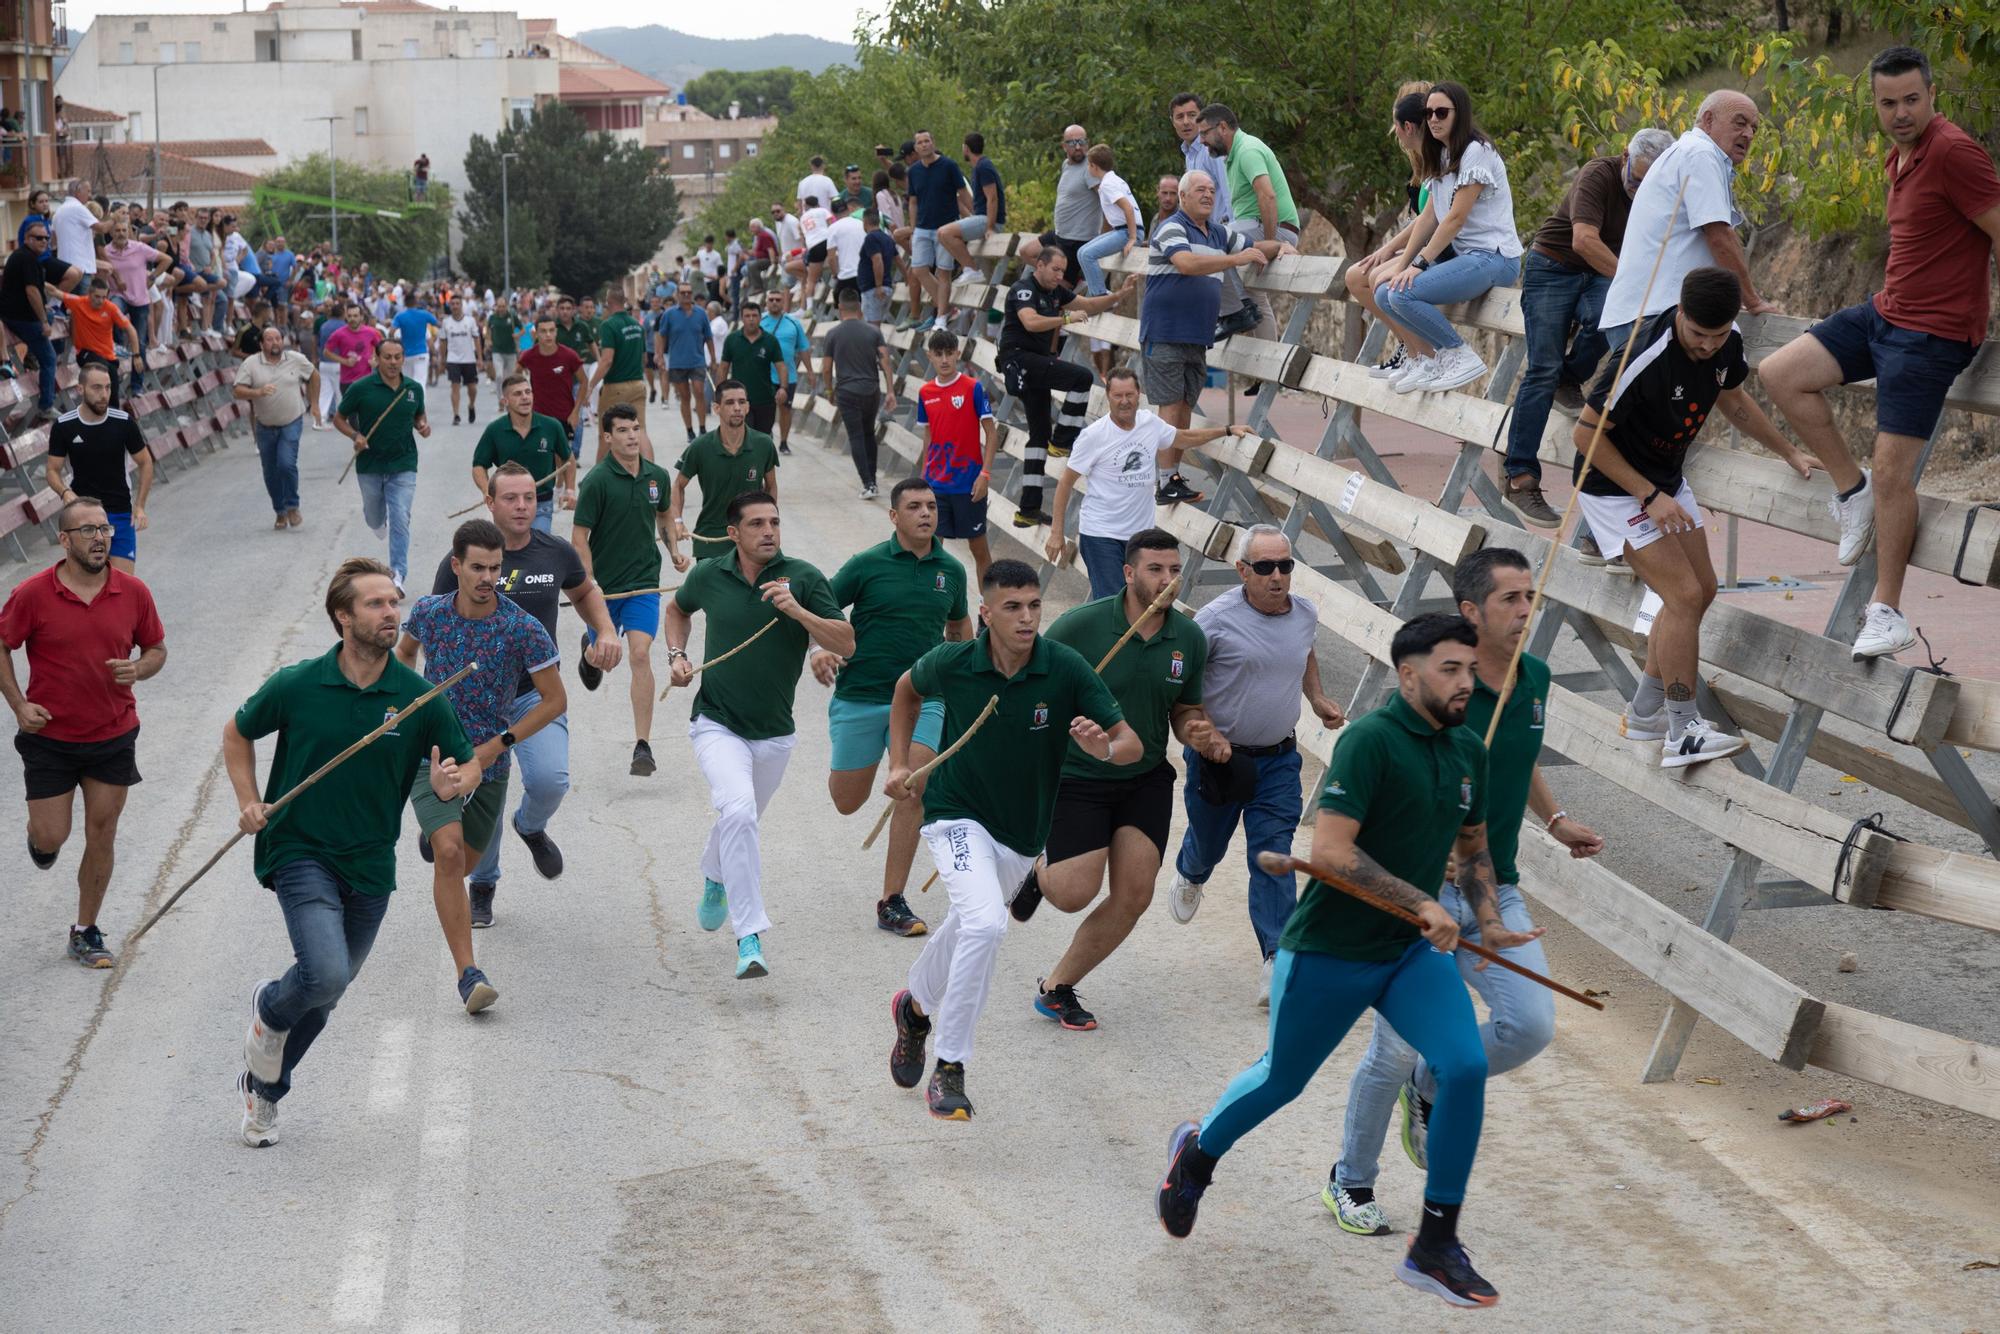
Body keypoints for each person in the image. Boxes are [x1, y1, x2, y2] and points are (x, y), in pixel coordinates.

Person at [1157, 611, 1532, 1310]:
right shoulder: (1370, 742)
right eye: (1450, 670)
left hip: (1406, 956)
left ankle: (1435, 1245)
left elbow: (1473, 842)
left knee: (1465, 1065)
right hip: (1330, 950)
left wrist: (1484, 916)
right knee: (1282, 1081)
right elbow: (1328, 853)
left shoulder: (1465, 752)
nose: (1465, 683)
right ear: (1409, 673)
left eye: (1471, 670)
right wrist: (1420, 902)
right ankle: (1197, 1158)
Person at [1326, 549, 1604, 1237]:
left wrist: (1556, 818)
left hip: (1494, 890)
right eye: (1511, 599)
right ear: (1472, 612)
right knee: (1388, 1049)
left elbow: (1517, 756)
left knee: (1531, 1026)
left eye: (1530, 597)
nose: (1525, 611)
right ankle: (1349, 1182)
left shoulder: (1533, 677)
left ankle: (1433, 1082)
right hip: (1417, 897)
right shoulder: (1437, 688)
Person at [1760, 44, 2000, 661]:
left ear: (1932, 95)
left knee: (1894, 471)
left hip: (1933, 336)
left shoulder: (1953, 153)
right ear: (1874, 103)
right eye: (1888, 102)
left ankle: (1887, 611)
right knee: (1779, 372)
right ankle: (1849, 490)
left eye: (1911, 100)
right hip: (1884, 314)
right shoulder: (1901, 156)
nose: (1900, 112)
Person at [228, 558, 476, 1149]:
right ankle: (270, 1007)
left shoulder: (418, 697)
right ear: (343, 617)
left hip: (370, 862)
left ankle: (263, 1089)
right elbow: (238, 733)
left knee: (327, 992)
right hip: (299, 847)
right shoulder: (299, 684)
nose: (392, 613)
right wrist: (249, 800)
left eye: (394, 602)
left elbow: (463, 761)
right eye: (376, 604)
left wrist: (452, 784)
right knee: (326, 971)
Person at [881, 559, 1138, 1119]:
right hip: (954, 816)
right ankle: (950, 1066)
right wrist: (900, 763)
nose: (1027, 619)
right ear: (986, 612)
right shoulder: (952, 662)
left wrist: (1105, 750)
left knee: (966, 925)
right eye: (1013, 607)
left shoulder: (1064, 669)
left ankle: (915, 1010)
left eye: (1035, 606)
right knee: (987, 922)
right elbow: (906, 692)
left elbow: (1130, 743)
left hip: (1022, 837)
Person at [1577, 267, 1814, 766]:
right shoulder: (1641, 356)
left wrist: (1788, 452)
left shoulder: (1727, 346)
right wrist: (1647, 496)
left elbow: (1735, 402)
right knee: (1682, 595)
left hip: (1665, 479)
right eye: (1698, 334)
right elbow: (1585, 436)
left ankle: (1644, 711)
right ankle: (1682, 729)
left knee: (1702, 591)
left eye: (1718, 335)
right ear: (1680, 313)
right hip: (1615, 487)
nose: (1708, 346)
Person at [1025, 529, 1225, 1031]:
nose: (1167, 580)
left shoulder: (1189, 638)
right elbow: (1032, 687)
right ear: (1129, 573)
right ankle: (1037, 867)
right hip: (1077, 775)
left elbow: (1185, 709)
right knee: (1072, 892)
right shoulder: (1081, 626)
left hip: (1144, 777)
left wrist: (1196, 731)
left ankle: (1058, 988)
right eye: (1156, 569)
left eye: (1175, 570)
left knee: (1134, 895)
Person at [662, 490, 853, 978]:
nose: (768, 531)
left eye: (774, 522)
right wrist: (677, 657)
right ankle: (749, 937)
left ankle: (714, 873)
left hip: (775, 734)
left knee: (737, 818)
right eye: (756, 524)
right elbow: (678, 611)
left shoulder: (805, 578)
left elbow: (846, 641)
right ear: (733, 533)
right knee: (740, 810)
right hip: (716, 722)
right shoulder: (710, 573)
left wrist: (799, 613)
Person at [1166, 525, 1345, 1003]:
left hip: (1279, 761)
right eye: (1264, 567)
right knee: (1208, 846)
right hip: (1220, 761)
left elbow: (1303, 654)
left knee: (1272, 856)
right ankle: (1190, 871)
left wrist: (1318, 697)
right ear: (1242, 570)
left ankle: (1276, 959)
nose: (1277, 576)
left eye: (1285, 566)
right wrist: (1206, 731)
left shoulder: (1305, 612)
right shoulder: (1213, 619)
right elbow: (1184, 689)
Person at [437, 463, 622, 921]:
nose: (523, 507)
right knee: (486, 795)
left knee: (549, 780)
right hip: (478, 699)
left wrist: (604, 631)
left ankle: (532, 826)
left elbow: (584, 592)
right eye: (511, 498)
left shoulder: (555, 552)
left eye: (530, 498)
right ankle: (483, 884)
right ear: (490, 502)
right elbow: (436, 623)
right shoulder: (462, 561)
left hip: (534, 694)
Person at [397, 519, 567, 1012]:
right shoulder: (428, 613)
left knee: (464, 863)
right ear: (457, 566)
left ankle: (438, 834)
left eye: (495, 567)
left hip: (488, 765)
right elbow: (404, 657)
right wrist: (403, 714)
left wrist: (497, 746)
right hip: (433, 755)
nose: (487, 576)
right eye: (477, 567)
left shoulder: (521, 628)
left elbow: (554, 701)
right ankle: (469, 975)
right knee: (449, 858)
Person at [1, 496, 167, 971]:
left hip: (113, 734)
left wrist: (139, 668)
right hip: (49, 737)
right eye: (88, 530)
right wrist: (18, 704)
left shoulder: (133, 592)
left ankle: (85, 930)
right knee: (53, 835)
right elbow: (2, 643)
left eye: (104, 530)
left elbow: (156, 648)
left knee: (102, 833)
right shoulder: (33, 594)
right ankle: (41, 843)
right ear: (65, 540)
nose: (100, 537)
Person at [814, 478, 972, 938]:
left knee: (913, 786)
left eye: (932, 506)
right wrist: (819, 648)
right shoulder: (867, 565)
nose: (926, 514)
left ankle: (892, 900)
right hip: (861, 695)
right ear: (894, 516)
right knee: (847, 801)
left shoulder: (952, 570)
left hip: (924, 697)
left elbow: (959, 625)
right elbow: (822, 606)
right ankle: (860, 771)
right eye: (915, 507)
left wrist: (964, 674)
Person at [1501, 127, 1674, 527]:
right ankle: (1519, 476)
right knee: (1541, 369)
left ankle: (1572, 375)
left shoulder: (1662, 188)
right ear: (1624, 155)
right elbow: (1583, 240)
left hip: (1598, 274)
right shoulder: (1598, 174)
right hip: (1554, 266)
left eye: (1649, 182)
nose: (1638, 189)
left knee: (1606, 321)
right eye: (1635, 178)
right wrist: (1631, 280)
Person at [1141, 170, 1290, 504]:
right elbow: (1186, 263)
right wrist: (1236, 259)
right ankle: (1164, 481)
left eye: (1211, 190)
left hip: (1197, 335)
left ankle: (1172, 478)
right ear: (1183, 196)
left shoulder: (1218, 232)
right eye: (1199, 190)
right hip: (1166, 332)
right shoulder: (1172, 228)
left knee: (1183, 408)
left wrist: (1281, 246)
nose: (1208, 195)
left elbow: (1253, 246)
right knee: (1169, 410)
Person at [1369, 83, 1522, 395]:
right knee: (1386, 292)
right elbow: (1429, 216)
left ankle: (1457, 353)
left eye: (1442, 112)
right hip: (1470, 260)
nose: (1434, 119)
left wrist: (1421, 264)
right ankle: (1432, 358)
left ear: (1459, 113)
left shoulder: (1476, 152)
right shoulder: (1440, 155)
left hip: (1495, 258)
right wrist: (1403, 264)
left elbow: (1455, 218)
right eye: (1429, 113)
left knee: (1402, 295)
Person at [1046, 368, 1252, 597]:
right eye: (1117, 396)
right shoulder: (1093, 436)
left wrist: (1227, 430)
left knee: (1140, 601)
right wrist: (1057, 533)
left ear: (1139, 394)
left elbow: (1183, 438)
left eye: (1129, 395)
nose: (1124, 401)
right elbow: (1065, 483)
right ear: (1108, 397)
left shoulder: (1149, 423)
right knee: (1112, 601)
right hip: (1101, 534)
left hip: (1140, 537)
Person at [1599, 90, 1777, 351]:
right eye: (1740, 123)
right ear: (1708, 120)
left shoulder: (1686, 152)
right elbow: (1719, 236)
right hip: (1655, 316)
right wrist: (1752, 301)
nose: (1749, 134)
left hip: (1641, 314)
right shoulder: (1700, 153)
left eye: (1754, 128)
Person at [997, 237, 1138, 528]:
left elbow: (1088, 304)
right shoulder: (1023, 290)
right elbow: (1031, 322)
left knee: (1037, 437)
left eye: (1063, 272)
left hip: (1036, 364)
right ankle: (1063, 442)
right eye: (1056, 270)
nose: (1061, 276)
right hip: (1020, 360)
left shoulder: (1056, 291)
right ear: (1039, 265)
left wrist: (1119, 296)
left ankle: (1028, 510)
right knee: (1082, 378)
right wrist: (1065, 318)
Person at [572, 403, 673, 776]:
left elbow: (664, 514)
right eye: (624, 430)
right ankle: (589, 652)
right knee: (603, 657)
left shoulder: (656, 476)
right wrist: (590, 583)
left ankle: (642, 746)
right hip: (604, 591)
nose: (632, 436)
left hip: (644, 582)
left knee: (640, 655)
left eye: (636, 428)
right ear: (608, 437)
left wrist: (674, 549)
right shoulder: (597, 481)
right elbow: (579, 537)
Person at [334, 337, 430, 590]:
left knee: (400, 517)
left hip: (404, 463)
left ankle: (397, 575)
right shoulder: (361, 388)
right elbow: (339, 418)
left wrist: (422, 425)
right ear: (376, 359)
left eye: (397, 357)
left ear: (403, 358)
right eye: (387, 357)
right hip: (370, 465)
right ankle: (377, 522)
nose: (393, 362)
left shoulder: (413, 389)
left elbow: (419, 414)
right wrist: (355, 436)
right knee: (374, 516)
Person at [44, 364, 152, 573]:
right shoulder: (64, 425)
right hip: (82, 516)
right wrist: (65, 493)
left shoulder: (123, 423)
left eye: (108, 388)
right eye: (96, 388)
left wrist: (139, 506)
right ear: (80, 389)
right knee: (88, 584)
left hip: (120, 512)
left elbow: (145, 462)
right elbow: (52, 470)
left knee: (122, 586)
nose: (104, 395)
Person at [670, 380, 782, 569]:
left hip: (753, 541)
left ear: (747, 406)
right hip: (711, 541)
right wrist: (678, 521)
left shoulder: (763, 444)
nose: (737, 408)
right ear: (716, 408)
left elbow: (771, 485)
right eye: (730, 403)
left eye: (742, 402)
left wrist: (767, 522)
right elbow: (678, 485)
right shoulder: (700, 447)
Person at [916, 329, 998, 583]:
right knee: (932, 549)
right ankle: (933, 607)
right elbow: (928, 437)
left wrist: (985, 474)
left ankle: (987, 613)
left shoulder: (973, 388)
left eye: (949, 354)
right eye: (938, 354)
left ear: (958, 355)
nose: (944, 360)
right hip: (937, 486)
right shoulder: (925, 392)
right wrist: (923, 479)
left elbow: (991, 434)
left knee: (979, 549)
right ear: (930, 356)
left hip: (968, 484)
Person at [233, 324, 321, 531]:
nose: (275, 343)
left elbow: (314, 375)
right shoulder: (251, 363)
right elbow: (238, 391)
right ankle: (279, 511)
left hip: (292, 420)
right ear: (262, 344)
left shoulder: (295, 359)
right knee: (270, 471)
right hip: (265, 425)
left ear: (283, 341)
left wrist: (314, 403)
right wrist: (258, 392)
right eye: (269, 339)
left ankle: (292, 506)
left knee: (286, 464)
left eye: (278, 339)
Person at [820, 289, 898, 497]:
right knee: (868, 434)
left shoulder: (833, 334)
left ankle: (868, 483)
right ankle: (872, 480)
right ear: (860, 307)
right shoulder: (873, 332)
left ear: (840, 308)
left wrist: (829, 390)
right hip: (871, 390)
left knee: (855, 436)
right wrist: (890, 391)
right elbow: (885, 362)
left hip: (847, 391)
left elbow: (827, 368)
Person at [472, 372, 573, 532]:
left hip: (540, 505)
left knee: (537, 552)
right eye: (517, 394)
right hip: (506, 505)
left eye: (528, 392)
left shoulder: (551, 426)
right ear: (505, 401)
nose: (525, 397)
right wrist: (486, 491)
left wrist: (570, 490)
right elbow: (478, 465)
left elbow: (568, 459)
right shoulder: (495, 430)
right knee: (508, 554)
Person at [1077, 144, 1145, 375]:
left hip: (1127, 231)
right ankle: (1100, 295)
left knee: (1085, 254)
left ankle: (1100, 297)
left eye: (1088, 164)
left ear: (1094, 166)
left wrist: (1133, 237)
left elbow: (1126, 208)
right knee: (1085, 251)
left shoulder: (1107, 185)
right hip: (1121, 229)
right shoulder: (1114, 180)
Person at [933, 131, 1005, 322]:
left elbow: (993, 198)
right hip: (981, 217)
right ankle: (966, 269)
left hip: (989, 220)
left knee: (944, 232)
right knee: (945, 234)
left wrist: (989, 227)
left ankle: (972, 269)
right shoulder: (979, 167)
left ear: (966, 148)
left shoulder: (984, 167)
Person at [903, 130, 971, 332]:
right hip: (922, 228)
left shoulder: (949, 165)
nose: (924, 145)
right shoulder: (913, 171)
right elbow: (913, 202)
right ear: (915, 148)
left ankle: (941, 317)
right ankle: (947, 307)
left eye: (927, 141)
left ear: (933, 142)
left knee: (943, 273)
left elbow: (962, 194)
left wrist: (978, 216)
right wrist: (913, 228)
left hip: (945, 227)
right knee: (919, 269)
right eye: (920, 142)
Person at [521, 314, 590, 479]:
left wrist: (576, 412)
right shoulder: (529, 356)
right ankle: (552, 486)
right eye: (543, 331)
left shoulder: (568, 355)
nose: (548, 335)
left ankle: (563, 488)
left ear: (556, 332)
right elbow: (514, 379)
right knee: (544, 453)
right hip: (538, 415)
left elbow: (584, 382)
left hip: (564, 414)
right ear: (536, 333)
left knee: (564, 456)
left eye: (552, 330)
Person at [589, 290, 649, 460]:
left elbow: (606, 360)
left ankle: (597, 480)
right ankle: (652, 476)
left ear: (608, 301)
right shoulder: (637, 325)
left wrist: (591, 385)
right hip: (638, 384)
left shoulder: (608, 325)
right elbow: (644, 358)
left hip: (616, 386)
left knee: (606, 434)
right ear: (624, 301)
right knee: (640, 431)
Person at [658, 283, 717, 444]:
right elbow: (662, 336)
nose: (686, 295)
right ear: (677, 294)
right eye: (682, 292)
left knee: (699, 391)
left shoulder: (701, 314)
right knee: (685, 396)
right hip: (677, 361)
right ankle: (690, 431)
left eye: (689, 292)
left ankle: (703, 428)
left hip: (697, 360)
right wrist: (660, 356)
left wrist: (713, 358)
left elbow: (709, 337)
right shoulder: (669, 314)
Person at [721, 305, 788, 437]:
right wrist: (720, 393)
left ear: (760, 318)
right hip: (739, 402)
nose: (751, 319)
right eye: (747, 316)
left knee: (763, 439)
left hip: (765, 400)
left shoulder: (770, 341)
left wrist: (783, 388)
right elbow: (723, 367)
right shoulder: (732, 339)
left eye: (754, 316)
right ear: (742, 318)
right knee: (744, 438)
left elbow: (781, 366)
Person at [760, 287, 810, 454]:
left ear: (783, 302)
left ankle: (784, 442)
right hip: (763, 376)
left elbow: (803, 348)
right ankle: (766, 438)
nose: (774, 302)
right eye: (771, 299)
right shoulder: (760, 322)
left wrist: (810, 371)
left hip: (787, 377)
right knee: (765, 409)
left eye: (778, 300)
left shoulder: (793, 323)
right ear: (766, 303)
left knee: (785, 410)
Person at [1050, 125, 1100, 294]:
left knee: (1057, 287)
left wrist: (1108, 234)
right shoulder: (1066, 164)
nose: (1078, 147)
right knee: (1028, 252)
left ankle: (1077, 287)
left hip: (1078, 239)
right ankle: (1078, 284)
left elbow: (1108, 200)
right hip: (1061, 234)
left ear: (1088, 143)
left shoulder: (1091, 168)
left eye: (1081, 141)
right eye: (1072, 143)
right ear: (1064, 146)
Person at [440, 295, 485, 426]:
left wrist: (480, 358)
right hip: (453, 359)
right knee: (455, 386)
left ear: (461, 305)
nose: (455, 306)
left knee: (472, 388)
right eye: (452, 304)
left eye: (457, 303)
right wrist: (442, 360)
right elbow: (443, 342)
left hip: (469, 359)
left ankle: (471, 405)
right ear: (450, 306)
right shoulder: (446, 322)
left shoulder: (470, 321)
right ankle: (456, 414)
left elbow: (477, 340)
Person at [323, 301, 384, 397]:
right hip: (347, 381)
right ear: (346, 317)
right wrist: (345, 361)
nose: (352, 319)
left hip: (366, 380)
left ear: (361, 317)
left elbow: (382, 348)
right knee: (350, 412)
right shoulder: (338, 334)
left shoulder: (370, 332)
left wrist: (375, 359)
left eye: (355, 316)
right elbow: (326, 352)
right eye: (350, 316)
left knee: (366, 410)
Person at [856, 209, 899, 325]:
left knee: (871, 326)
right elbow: (898, 259)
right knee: (875, 324)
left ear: (865, 221)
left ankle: (874, 343)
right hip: (886, 286)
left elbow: (877, 260)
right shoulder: (887, 238)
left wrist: (878, 285)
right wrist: (906, 276)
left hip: (874, 288)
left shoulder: (871, 238)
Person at [825, 198, 867, 303]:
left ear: (833, 213)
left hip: (847, 275)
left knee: (841, 305)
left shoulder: (833, 228)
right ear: (848, 209)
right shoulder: (861, 223)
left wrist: (835, 274)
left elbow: (831, 257)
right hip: (866, 273)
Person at [393, 293, 439, 388]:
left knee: (407, 382)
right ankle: (420, 402)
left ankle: (409, 402)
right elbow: (437, 323)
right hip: (421, 353)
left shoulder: (400, 316)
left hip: (406, 354)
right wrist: (434, 354)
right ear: (416, 302)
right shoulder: (424, 314)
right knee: (420, 381)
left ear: (405, 303)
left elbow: (391, 332)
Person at [487, 299, 519, 382]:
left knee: (509, 378)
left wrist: (517, 335)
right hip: (497, 350)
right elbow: (488, 329)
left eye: (503, 306)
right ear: (496, 306)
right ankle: (500, 394)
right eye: (499, 306)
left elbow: (522, 329)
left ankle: (507, 394)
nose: (501, 309)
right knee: (499, 375)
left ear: (507, 306)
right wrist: (489, 340)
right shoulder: (492, 317)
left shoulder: (512, 317)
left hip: (510, 351)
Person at [797, 155, 837, 219]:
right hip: (825, 218)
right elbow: (835, 200)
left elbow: (799, 204)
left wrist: (801, 219)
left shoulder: (802, 182)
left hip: (808, 221)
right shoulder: (827, 181)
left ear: (811, 166)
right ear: (823, 166)